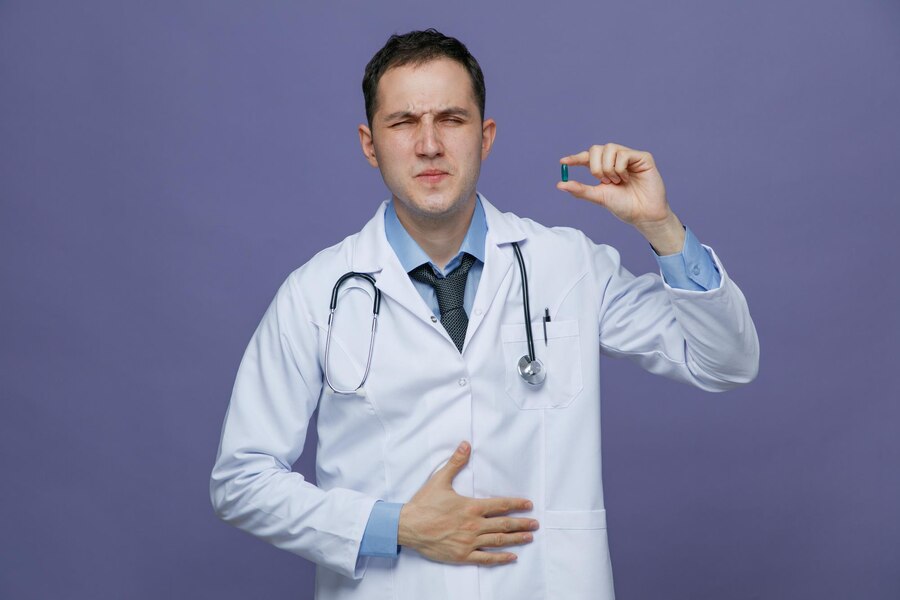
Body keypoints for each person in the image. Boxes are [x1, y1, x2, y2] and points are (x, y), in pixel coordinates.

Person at [210, 28, 759, 600]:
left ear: (485, 136)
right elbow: (240, 480)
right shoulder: (316, 293)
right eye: (402, 123)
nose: (428, 145)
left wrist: (660, 228)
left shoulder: (566, 263)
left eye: (451, 119)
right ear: (370, 143)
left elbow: (726, 363)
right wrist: (395, 527)